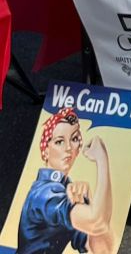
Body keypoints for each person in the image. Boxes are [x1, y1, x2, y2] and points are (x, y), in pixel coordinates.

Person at [18, 109, 113, 254]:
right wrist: (102, 160)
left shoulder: (66, 193)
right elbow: (97, 222)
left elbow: (103, 250)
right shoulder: (44, 193)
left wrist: (88, 202)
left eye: (74, 139)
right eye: (59, 142)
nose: (68, 148)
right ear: (46, 150)